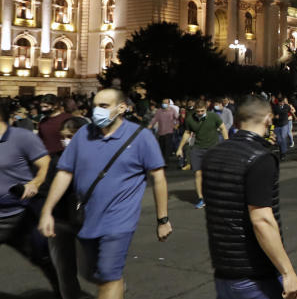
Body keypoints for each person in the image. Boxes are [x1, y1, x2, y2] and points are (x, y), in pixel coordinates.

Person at [39, 88, 172, 299]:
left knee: (108, 277)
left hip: (119, 222)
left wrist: (162, 219)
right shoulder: (83, 134)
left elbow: (158, 178)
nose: (96, 111)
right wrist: (47, 210)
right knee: (99, 275)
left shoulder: (141, 137)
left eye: (103, 106)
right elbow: (64, 173)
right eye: (95, 106)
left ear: (121, 108)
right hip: (87, 220)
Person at [201, 95, 297, 299]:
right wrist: (287, 271)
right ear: (268, 119)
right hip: (254, 275)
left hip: (223, 270)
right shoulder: (260, 158)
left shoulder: (213, 154)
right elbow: (262, 219)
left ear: (237, 121)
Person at [0, 101, 58, 295]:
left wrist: (34, 183)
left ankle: (63, 291)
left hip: (21, 213)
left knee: (43, 257)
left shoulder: (22, 137)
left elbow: (44, 163)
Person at [44, 116, 89, 299]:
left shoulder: (97, 160)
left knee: (95, 268)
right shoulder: (55, 160)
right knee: (64, 270)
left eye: (71, 136)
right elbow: (46, 189)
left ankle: (113, 287)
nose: (66, 140)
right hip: (60, 220)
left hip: (88, 219)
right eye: (64, 136)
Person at [176, 100, 229, 209]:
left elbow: (223, 128)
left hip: (212, 148)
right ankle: (201, 198)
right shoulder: (190, 119)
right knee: (198, 174)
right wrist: (180, 148)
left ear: (206, 109)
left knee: (212, 174)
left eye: (202, 111)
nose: (200, 113)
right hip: (197, 149)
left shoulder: (213, 117)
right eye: (198, 111)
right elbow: (187, 133)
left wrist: (227, 143)